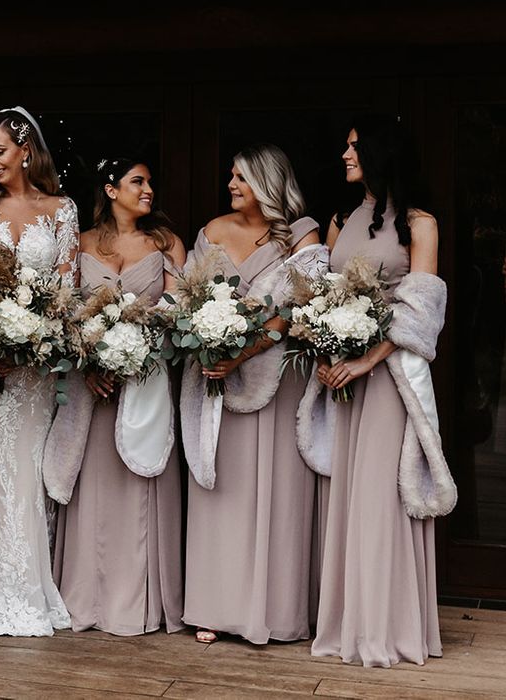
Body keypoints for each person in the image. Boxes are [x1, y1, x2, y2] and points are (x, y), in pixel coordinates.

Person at [303, 115, 456, 667]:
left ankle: (386, 628)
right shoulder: (340, 219)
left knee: (380, 495)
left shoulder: (421, 223)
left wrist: (366, 359)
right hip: (344, 377)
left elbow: (420, 312)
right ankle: (347, 623)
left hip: (389, 379)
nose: (345, 156)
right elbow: (323, 295)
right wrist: (326, 350)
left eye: (353, 147)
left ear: (380, 153)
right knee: (347, 493)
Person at [181, 144, 324, 645]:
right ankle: (214, 607)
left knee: (275, 489)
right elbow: (187, 297)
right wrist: (208, 341)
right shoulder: (212, 231)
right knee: (221, 489)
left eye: (241, 177)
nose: (231, 185)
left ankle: (274, 609)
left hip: (276, 378)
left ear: (266, 181)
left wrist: (245, 350)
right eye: (231, 176)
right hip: (216, 376)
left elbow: (305, 305)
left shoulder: (302, 233)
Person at [0, 107, 78, 636]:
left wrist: (37, 335)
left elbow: (67, 288)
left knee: (27, 474)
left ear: (26, 149)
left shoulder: (62, 209)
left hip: (35, 372)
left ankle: (26, 586)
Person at [47, 158, 186, 635]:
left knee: (138, 489)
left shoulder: (166, 243)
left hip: (145, 387)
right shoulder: (81, 243)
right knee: (93, 494)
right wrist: (86, 363)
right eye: (137, 182)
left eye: (150, 181)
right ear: (110, 189)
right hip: (94, 391)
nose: (148, 190)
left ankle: (137, 603)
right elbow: (60, 313)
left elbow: (178, 313)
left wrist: (140, 350)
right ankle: (85, 599)